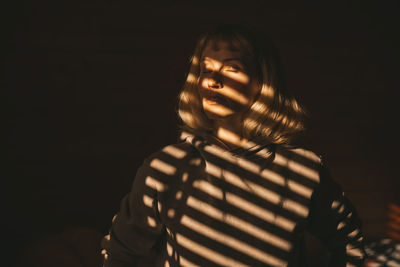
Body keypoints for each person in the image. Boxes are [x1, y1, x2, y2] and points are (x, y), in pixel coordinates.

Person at [101, 25, 366, 266]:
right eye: (206, 69)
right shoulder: (167, 167)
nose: (212, 81)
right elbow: (120, 253)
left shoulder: (303, 171)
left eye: (231, 68)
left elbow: (348, 241)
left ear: (261, 82)